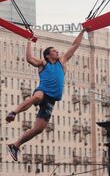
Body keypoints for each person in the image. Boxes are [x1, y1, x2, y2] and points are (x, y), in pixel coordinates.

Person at [6, 29, 86, 161]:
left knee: (38, 129)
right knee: (37, 97)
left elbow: (75, 45)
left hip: (51, 99)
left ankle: (15, 145)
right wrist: (29, 41)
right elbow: (29, 59)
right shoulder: (43, 63)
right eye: (54, 51)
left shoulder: (62, 62)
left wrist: (83, 31)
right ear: (48, 55)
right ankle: (14, 112)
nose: (58, 52)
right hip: (42, 91)